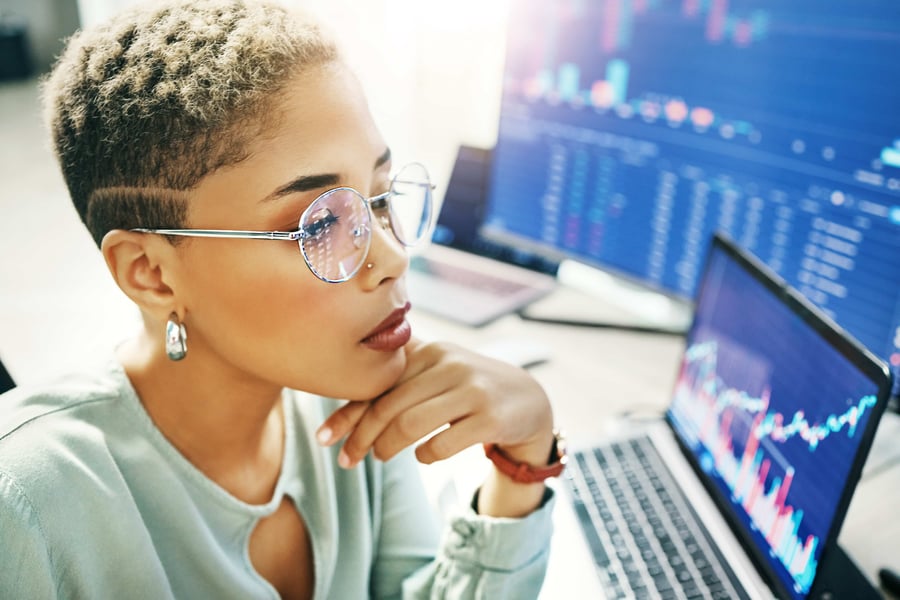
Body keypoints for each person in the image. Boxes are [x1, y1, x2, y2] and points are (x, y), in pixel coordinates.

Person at [0, 1, 565, 598]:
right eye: (319, 225)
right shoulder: (25, 505)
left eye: (378, 198)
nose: (394, 259)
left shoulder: (353, 400)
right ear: (152, 275)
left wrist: (524, 460)